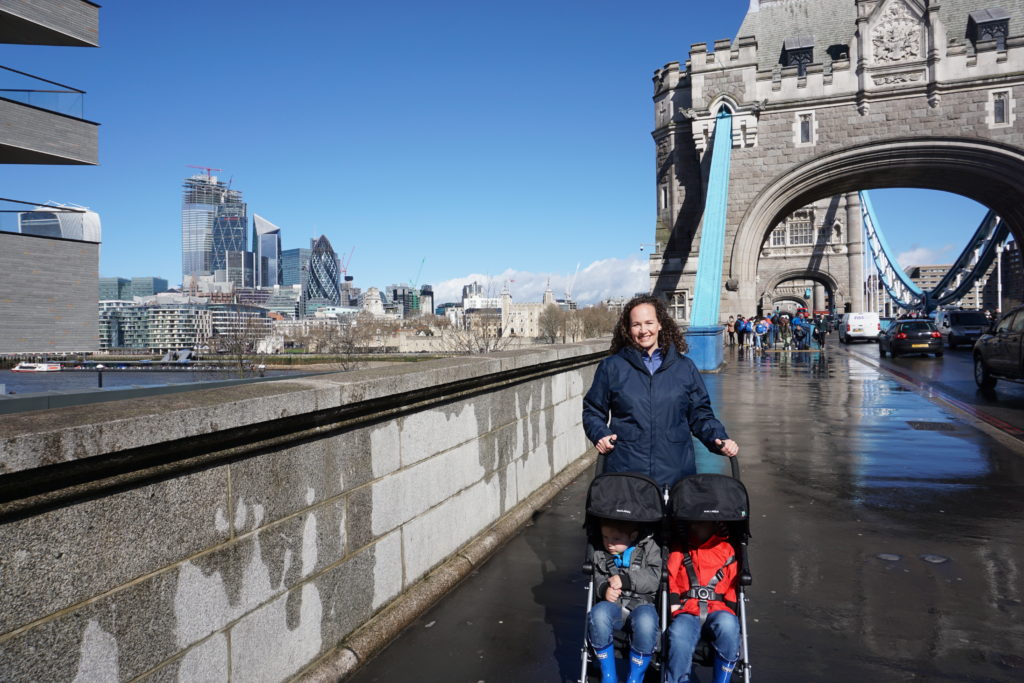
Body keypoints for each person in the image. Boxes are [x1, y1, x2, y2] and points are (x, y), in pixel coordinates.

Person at [582, 295, 739, 487]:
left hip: (675, 471)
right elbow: (593, 411)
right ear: (628, 329)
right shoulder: (611, 367)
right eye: (636, 324)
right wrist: (600, 434)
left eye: (649, 323)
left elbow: (700, 414)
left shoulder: (684, 368)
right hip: (626, 471)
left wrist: (719, 438)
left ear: (660, 325)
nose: (643, 330)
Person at [666, 520, 741, 683]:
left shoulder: (726, 549)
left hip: (718, 606)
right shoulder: (681, 547)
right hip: (687, 606)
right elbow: (670, 575)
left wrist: (731, 608)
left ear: (714, 525)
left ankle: (722, 679)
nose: (694, 526)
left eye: (700, 523)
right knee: (679, 634)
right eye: (692, 523)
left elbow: (732, 584)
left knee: (729, 625)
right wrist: (673, 600)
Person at [588, 519, 662, 683]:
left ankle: (635, 677)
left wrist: (626, 580)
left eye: (615, 539)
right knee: (598, 614)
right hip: (613, 605)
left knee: (647, 622)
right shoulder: (601, 553)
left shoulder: (649, 548)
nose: (609, 543)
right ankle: (609, 675)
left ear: (633, 536)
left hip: (643, 604)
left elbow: (654, 578)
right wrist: (603, 590)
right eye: (605, 537)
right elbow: (599, 577)